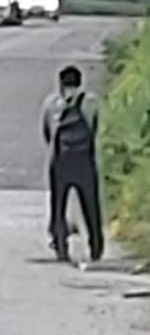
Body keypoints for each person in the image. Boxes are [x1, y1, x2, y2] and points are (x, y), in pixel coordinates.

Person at [41, 65, 104, 264]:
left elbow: (47, 132)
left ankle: (60, 244)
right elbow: (94, 127)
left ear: (61, 83)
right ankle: (95, 245)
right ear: (80, 82)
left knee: (58, 204)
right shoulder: (91, 102)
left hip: (60, 162)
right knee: (91, 204)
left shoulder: (52, 104)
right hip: (84, 161)